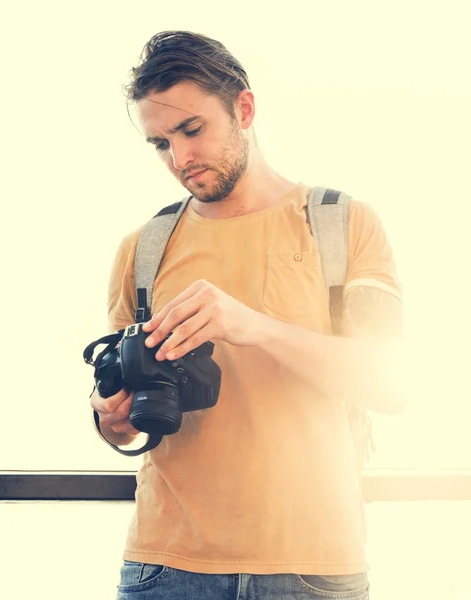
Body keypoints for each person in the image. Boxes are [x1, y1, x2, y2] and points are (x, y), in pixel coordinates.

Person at [90, 30, 403, 600]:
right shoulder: (144, 248)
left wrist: (254, 327)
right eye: (160, 143)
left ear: (245, 108)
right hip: (164, 568)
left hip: (313, 569)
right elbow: (121, 418)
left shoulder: (342, 224)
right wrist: (112, 420)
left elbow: (391, 385)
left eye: (192, 130)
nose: (180, 159)